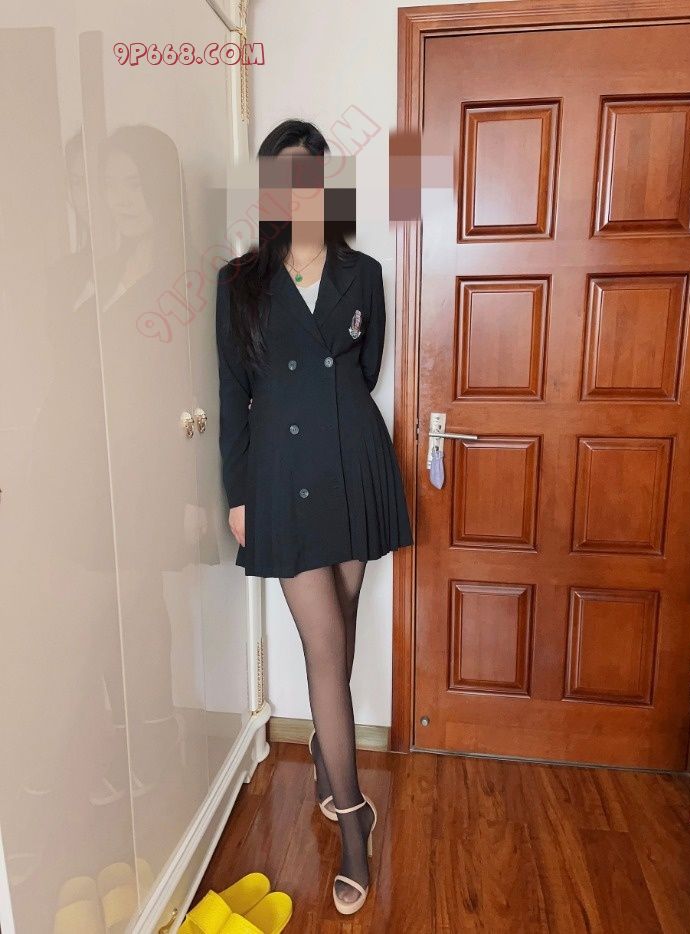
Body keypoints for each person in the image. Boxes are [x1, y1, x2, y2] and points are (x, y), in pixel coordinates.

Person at [216, 119, 413, 915]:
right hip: (282, 476)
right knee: (324, 641)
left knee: (343, 622)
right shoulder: (239, 283)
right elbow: (233, 393)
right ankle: (355, 822)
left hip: (353, 464)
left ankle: (332, 772)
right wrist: (237, 494)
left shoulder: (363, 274)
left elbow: (365, 371)